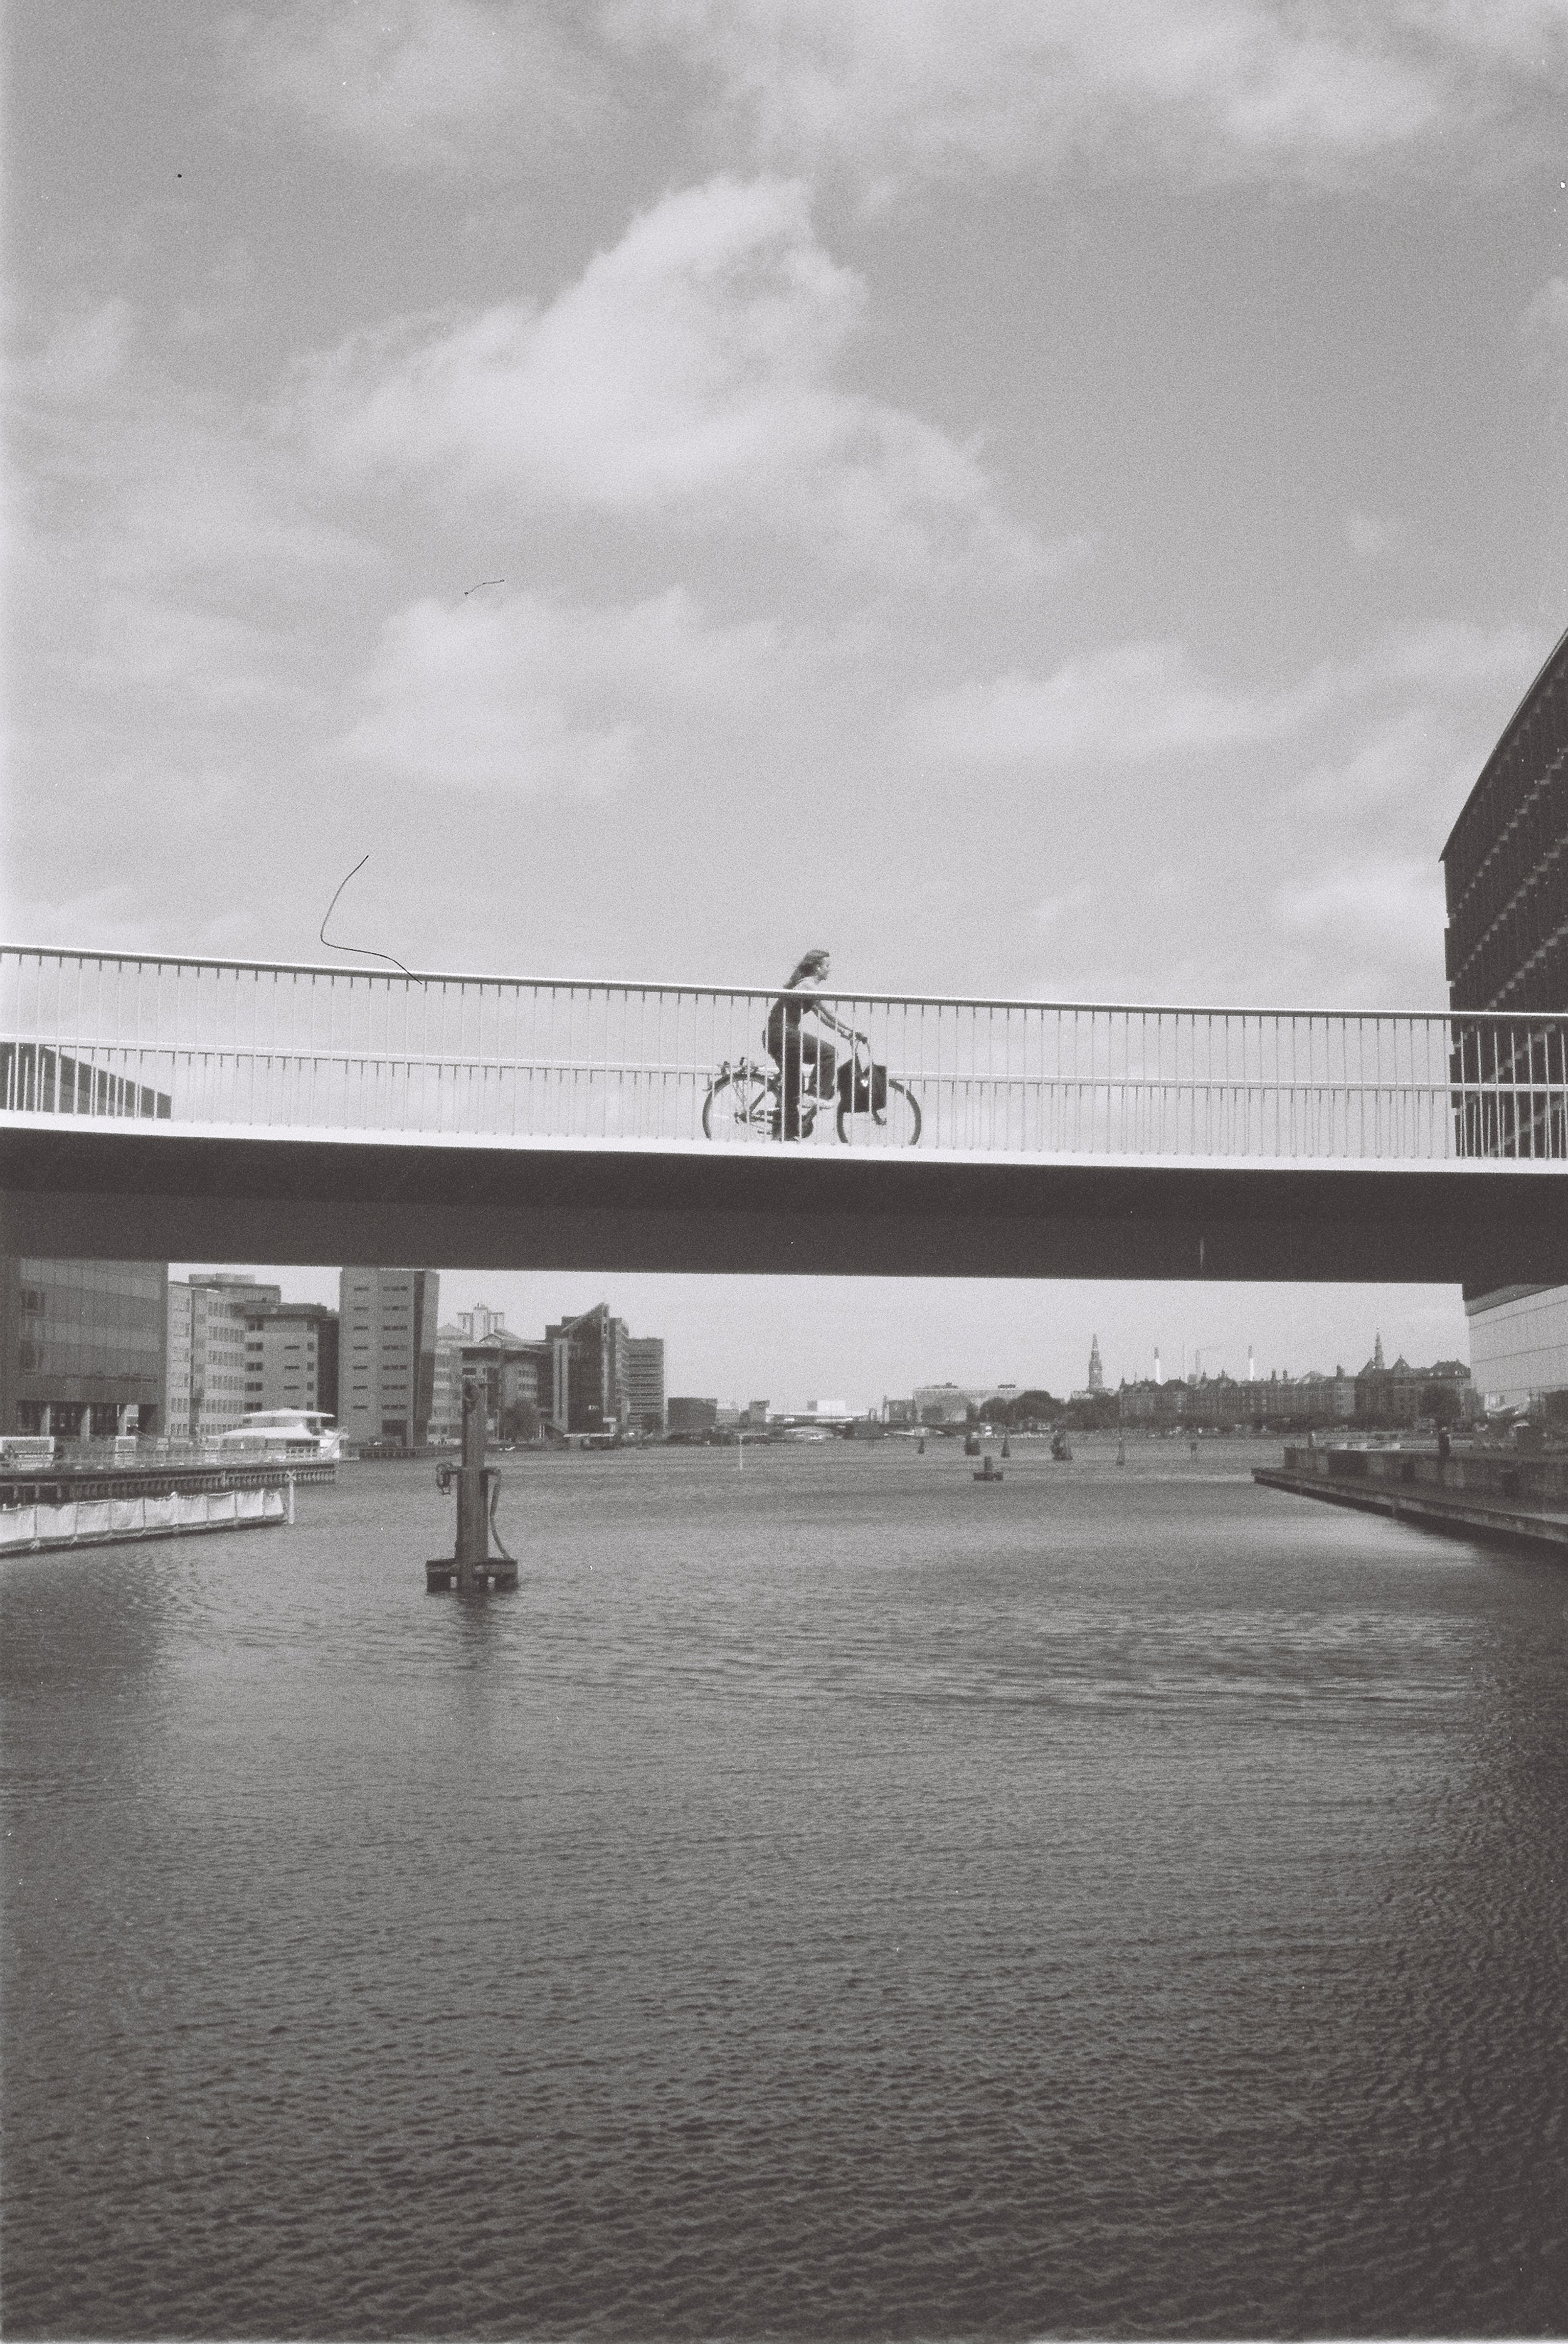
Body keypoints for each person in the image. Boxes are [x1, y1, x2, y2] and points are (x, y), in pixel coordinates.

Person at [765, 948, 845, 1140]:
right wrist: (855, 1030)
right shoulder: (808, 985)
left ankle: (788, 1132)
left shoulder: (806, 986)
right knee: (828, 1053)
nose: (829, 970)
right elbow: (830, 1013)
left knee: (794, 1085)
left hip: (778, 1034)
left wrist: (845, 1033)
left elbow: (823, 1018)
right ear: (817, 968)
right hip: (784, 1032)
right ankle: (814, 1093)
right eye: (827, 966)